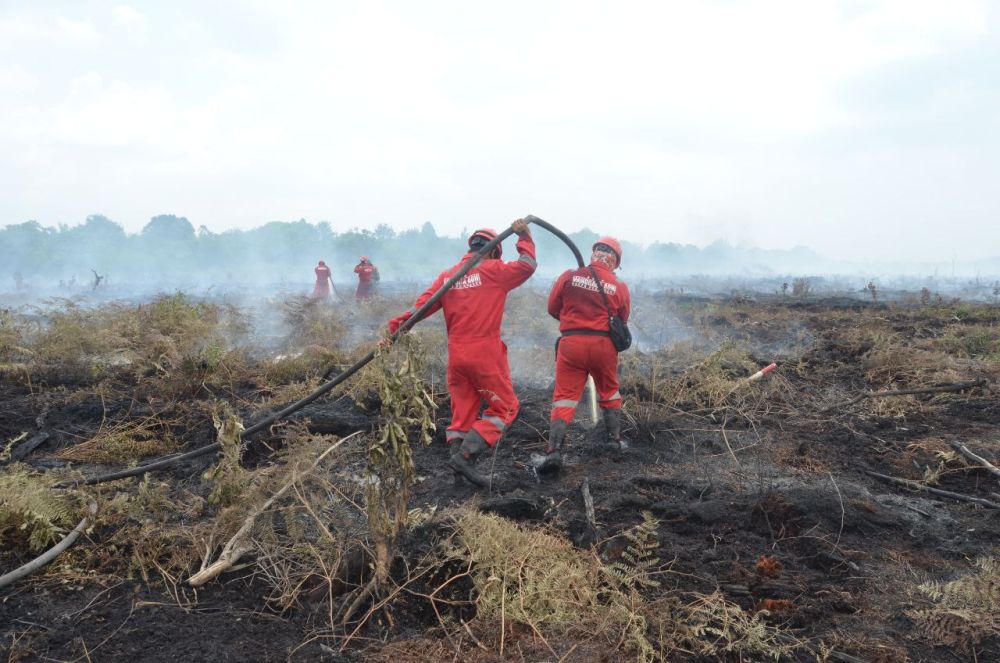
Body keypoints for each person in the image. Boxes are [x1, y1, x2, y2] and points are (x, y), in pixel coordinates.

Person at [387, 219, 536, 487]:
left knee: (462, 415)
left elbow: (420, 308)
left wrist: (393, 330)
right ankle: (465, 458)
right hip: (484, 353)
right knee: (506, 407)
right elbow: (527, 265)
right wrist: (524, 236)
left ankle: (458, 478)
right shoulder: (494, 270)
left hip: (456, 355)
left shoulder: (448, 276)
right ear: (493, 251)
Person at [531, 236, 631, 472]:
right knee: (609, 391)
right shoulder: (620, 287)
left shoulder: (569, 276)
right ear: (615, 261)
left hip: (571, 344)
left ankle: (554, 451)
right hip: (603, 346)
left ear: (594, 253)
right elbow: (622, 320)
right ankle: (614, 441)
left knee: (565, 396)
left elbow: (552, 308)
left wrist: (573, 321)